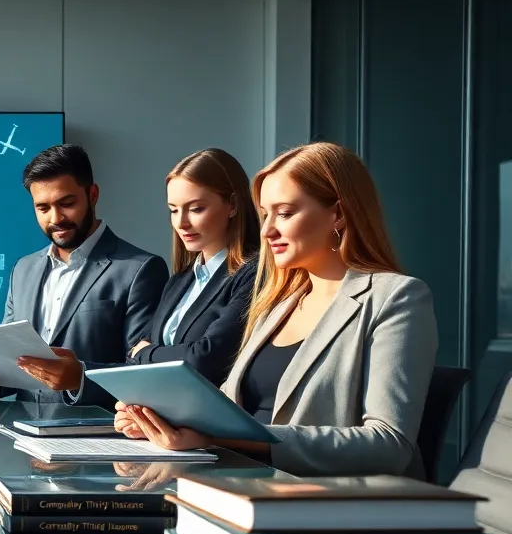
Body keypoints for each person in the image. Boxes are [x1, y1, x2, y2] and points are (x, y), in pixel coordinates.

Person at [115, 142, 438, 478]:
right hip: (243, 482)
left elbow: (388, 446)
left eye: (284, 213)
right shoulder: (279, 302)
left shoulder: (396, 298)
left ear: (338, 214)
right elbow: (224, 410)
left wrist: (224, 438)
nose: (267, 230)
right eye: (265, 214)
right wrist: (158, 416)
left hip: (323, 502)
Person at [0, 144, 167, 406]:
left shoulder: (141, 269)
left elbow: (144, 373)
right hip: (23, 434)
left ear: (93, 195)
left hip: (98, 438)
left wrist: (80, 378)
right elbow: (11, 362)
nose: (55, 218)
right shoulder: (23, 269)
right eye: (43, 208)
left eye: (67, 203)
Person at [126, 148, 260, 384]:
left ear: (233, 205)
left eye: (196, 208)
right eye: (173, 210)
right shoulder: (180, 280)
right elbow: (132, 355)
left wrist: (146, 354)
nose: (181, 223)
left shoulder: (253, 273)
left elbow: (205, 359)